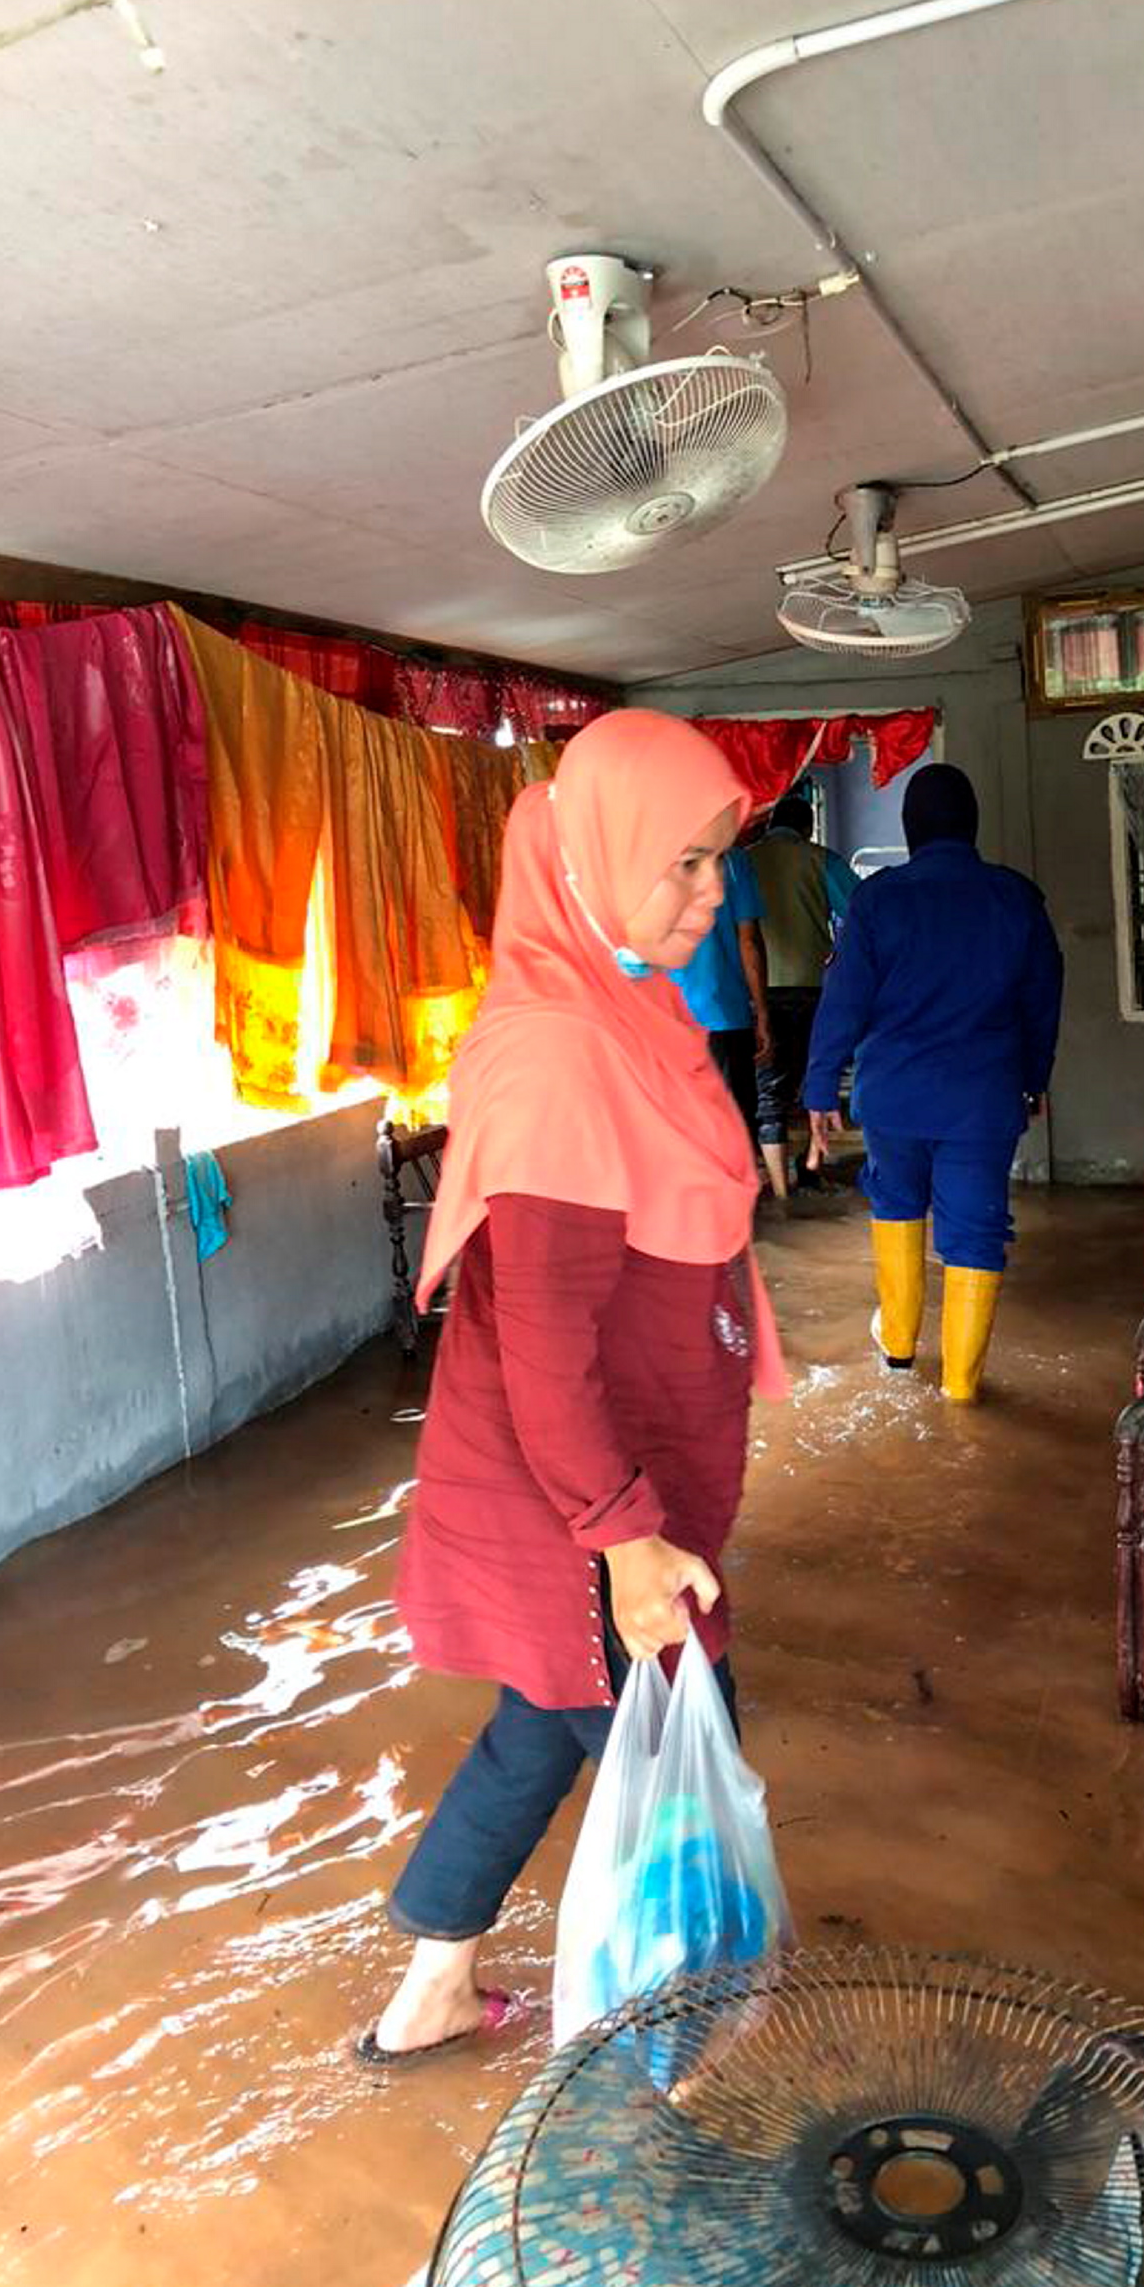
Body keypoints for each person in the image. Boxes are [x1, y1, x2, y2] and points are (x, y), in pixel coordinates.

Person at [359, 709, 785, 2066]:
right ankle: (685, 2045)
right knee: (683, 1743)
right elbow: (544, 1345)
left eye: (722, 859)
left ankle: (435, 1979)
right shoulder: (555, 1053)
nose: (715, 891)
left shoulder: (628, 1004)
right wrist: (623, 1538)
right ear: (594, 860)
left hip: (613, 1468)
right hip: (582, 1494)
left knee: (550, 1717)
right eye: (687, 863)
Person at [804, 762, 1063, 1405]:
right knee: (975, 1231)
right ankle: (961, 1391)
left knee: (895, 1207)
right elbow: (1041, 1003)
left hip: (892, 1096)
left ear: (909, 828)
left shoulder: (878, 899)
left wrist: (817, 1088)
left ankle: (896, 1355)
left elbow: (844, 1001)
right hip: (983, 1099)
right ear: (971, 826)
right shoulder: (1016, 899)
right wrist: (1033, 1081)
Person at [748, 792, 858, 1200]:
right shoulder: (821, 859)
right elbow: (859, 913)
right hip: (813, 987)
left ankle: (779, 1195)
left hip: (757, 990)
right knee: (817, 1080)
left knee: (768, 1089)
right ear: (808, 826)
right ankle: (812, 1171)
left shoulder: (745, 860)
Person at [675, 842, 771, 1138]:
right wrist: (762, 1012)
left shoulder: (652, 857)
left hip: (667, 1013)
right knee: (733, 1122)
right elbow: (748, 943)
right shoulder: (731, 861)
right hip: (723, 1011)